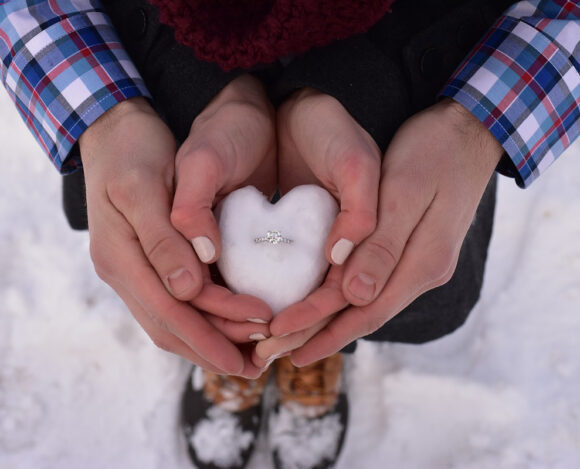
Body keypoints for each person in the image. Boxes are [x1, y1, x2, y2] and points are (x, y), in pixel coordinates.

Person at [1, 0, 578, 468]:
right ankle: (235, 346)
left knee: (370, 269)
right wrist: (109, 115)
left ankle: (309, 354)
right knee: (188, 249)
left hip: (413, 76)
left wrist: (473, 124)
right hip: (162, 69)